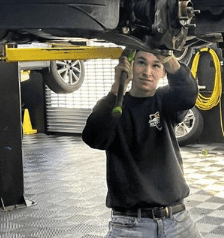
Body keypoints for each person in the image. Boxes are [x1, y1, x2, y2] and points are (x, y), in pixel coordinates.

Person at [82, 49, 204, 238]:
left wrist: (169, 59)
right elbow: (93, 137)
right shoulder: (114, 107)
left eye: (156, 65)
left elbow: (188, 94)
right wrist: (117, 87)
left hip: (177, 220)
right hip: (130, 226)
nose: (148, 72)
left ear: (163, 72)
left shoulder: (165, 100)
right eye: (141, 63)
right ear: (130, 67)